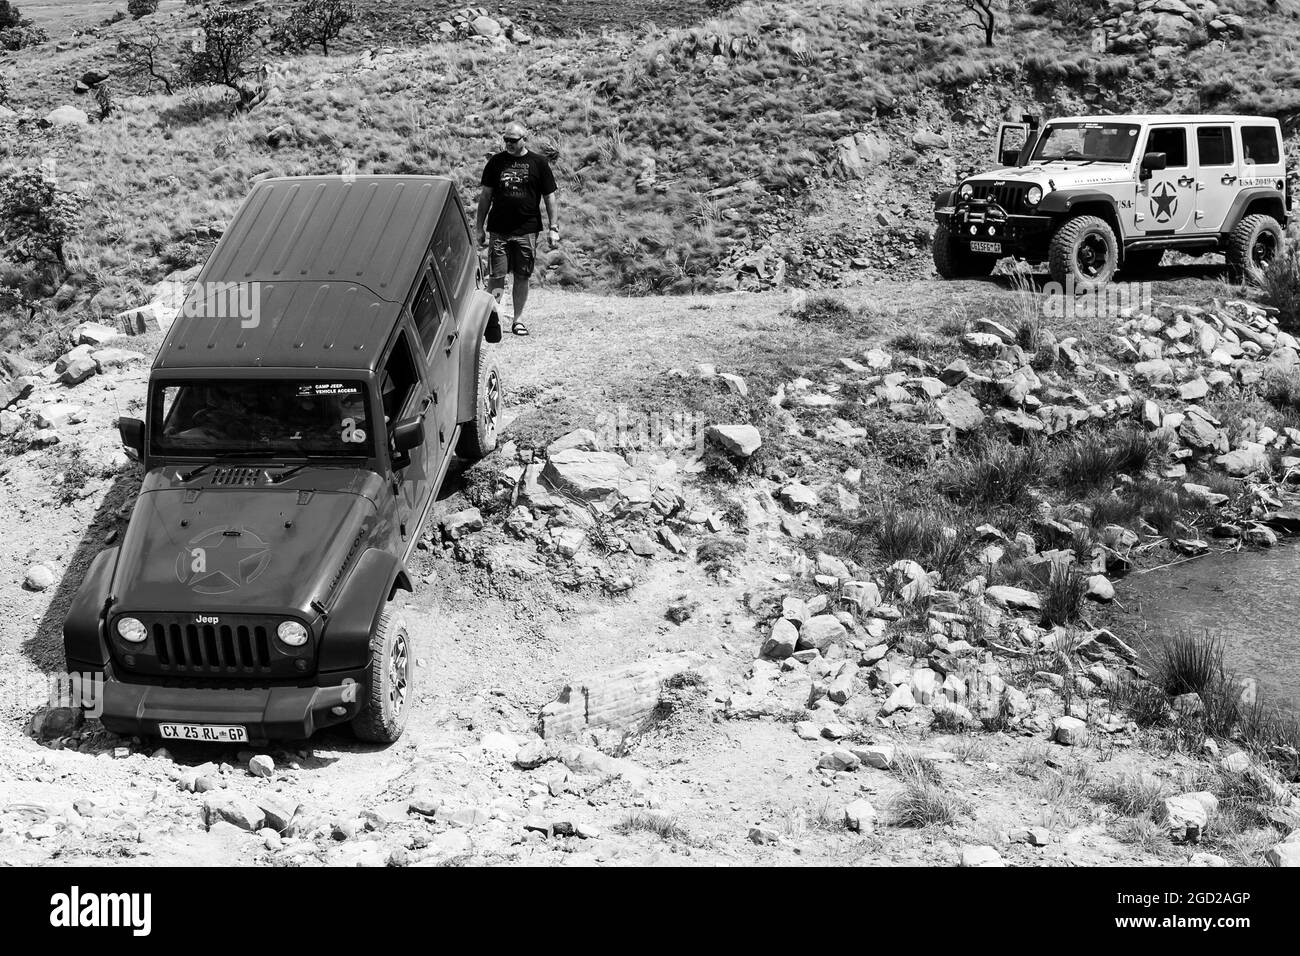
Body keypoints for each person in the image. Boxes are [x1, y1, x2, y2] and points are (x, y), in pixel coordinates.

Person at [477, 121, 559, 336]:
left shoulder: (538, 163)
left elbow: (549, 196)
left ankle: (518, 320)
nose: (508, 144)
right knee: (496, 276)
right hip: (499, 230)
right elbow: (485, 196)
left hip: (527, 230)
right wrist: (479, 228)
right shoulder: (496, 163)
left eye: (513, 140)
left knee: (522, 276)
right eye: (505, 140)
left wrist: (554, 227)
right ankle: (492, 319)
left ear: (524, 138)